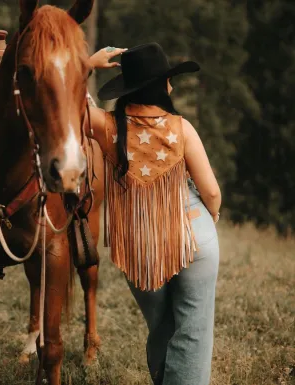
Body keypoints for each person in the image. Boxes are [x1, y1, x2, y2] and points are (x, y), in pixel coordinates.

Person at [88, 42, 221, 385]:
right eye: (168, 80)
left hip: (138, 245)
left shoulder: (105, 126)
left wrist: (87, 65)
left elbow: (58, 99)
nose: (172, 86)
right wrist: (212, 217)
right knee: (192, 330)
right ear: (160, 85)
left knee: (163, 325)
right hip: (193, 235)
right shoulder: (182, 127)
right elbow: (211, 192)